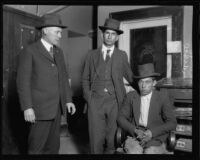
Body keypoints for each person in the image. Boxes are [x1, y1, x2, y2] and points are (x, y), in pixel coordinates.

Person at [16, 13, 76, 154]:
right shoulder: (30, 51)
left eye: (61, 32)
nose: (60, 36)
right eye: (57, 32)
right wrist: (27, 107)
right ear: (45, 31)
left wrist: (68, 100)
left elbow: (63, 78)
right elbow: (22, 82)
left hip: (56, 109)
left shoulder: (59, 52)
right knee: (36, 148)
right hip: (38, 111)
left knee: (53, 147)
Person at [82, 18, 133, 154]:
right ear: (102, 35)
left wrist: (146, 84)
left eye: (113, 34)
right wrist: (89, 98)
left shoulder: (122, 55)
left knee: (113, 139)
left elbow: (130, 77)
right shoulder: (91, 55)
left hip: (115, 102)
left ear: (117, 37)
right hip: (95, 101)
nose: (110, 36)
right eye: (107, 33)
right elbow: (85, 78)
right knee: (95, 138)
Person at [117, 61, 177, 154]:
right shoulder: (130, 96)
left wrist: (152, 132)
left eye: (147, 82)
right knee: (133, 152)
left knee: (150, 152)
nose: (143, 86)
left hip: (156, 137)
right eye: (141, 81)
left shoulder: (162, 97)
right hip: (135, 137)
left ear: (154, 83)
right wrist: (135, 130)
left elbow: (172, 123)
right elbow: (120, 118)